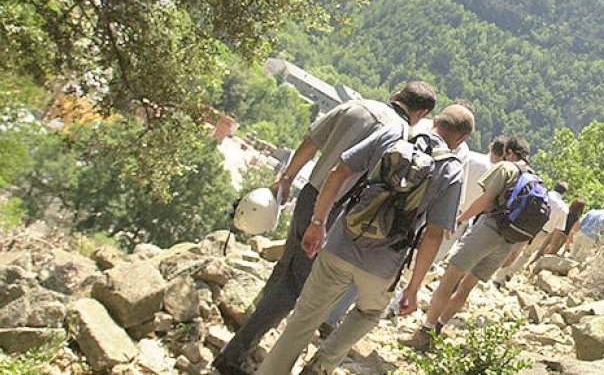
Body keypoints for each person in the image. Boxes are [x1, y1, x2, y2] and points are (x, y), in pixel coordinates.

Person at [212, 81, 436, 375]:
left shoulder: (355, 106)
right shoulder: (399, 133)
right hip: (335, 209)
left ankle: (246, 337)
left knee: (286, 268)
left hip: (310, 193)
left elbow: (311, 141)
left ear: (396, 95)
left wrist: (287, 177)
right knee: (295, 285)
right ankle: (234, 355)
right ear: (420, 113)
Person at [256, 104, 474, 375]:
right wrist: (413, 287)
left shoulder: (396, 135)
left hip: (341, 244)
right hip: (384, 266)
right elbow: (433, 234)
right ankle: (324, 362)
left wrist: (318, 223)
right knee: (369, 313)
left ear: (435, 121)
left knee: (303, 320)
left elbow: (339, 171)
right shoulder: (452, 170)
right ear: (462, 139)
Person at [399, 136, 532, 350]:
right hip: (508, 241)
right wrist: (515, 251)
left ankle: (424, 333)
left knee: (450, 279)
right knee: (466, 287)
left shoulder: (507, 168)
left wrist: (459, 219)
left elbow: (485, 200)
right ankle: (438, 328)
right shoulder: (534, 179)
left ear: (509, 153)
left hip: (488, 230)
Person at [496, 180, 567, 278]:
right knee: (526, 254)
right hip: (543, 232)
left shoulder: (542, 194)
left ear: (555, 187)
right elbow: (558, 229)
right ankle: (509, 273)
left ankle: (499, 273)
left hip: (528, 225)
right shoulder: (563, 208)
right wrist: (552, 244)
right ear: (564, 194)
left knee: (515, 249)